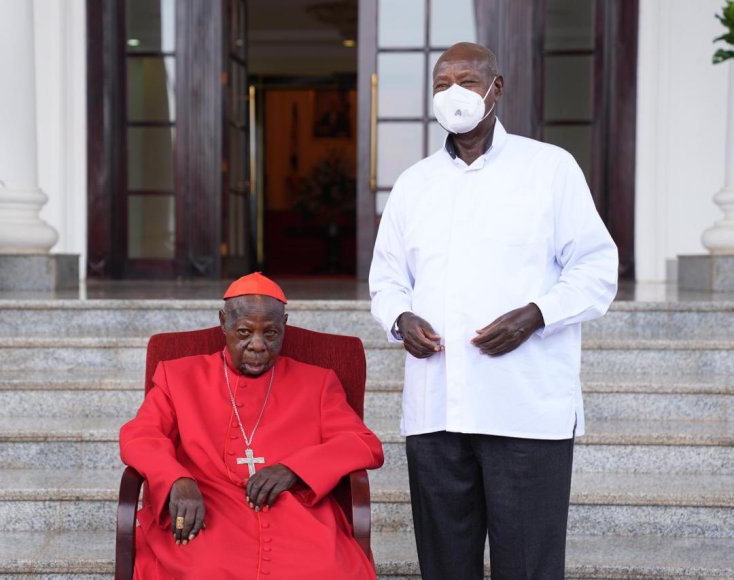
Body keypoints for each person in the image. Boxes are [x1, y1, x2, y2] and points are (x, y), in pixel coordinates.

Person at [368, 42, 618, 579]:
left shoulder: (549, 169)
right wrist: (400, 319)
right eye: (441, 84)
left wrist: (536, 314)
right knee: (444, 565)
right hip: (437, 410)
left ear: (495, 89)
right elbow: (387, 279)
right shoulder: (415, 184)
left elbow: (597, 270)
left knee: (528, 565)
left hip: (523, 407)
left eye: (466, 80)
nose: (452, 94)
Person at [120, 272, 384, 579]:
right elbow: (139, 436)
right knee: (202, 568)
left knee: (327, 569)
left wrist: (295, 470)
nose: (257, 345)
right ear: (224, 323)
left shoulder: (318, 383)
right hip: (207, 509)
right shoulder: (178, 376)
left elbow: (364, 444)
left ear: (284, 324)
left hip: (295, 516)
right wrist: (177, 479)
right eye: (244, 332)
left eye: (270, 334)